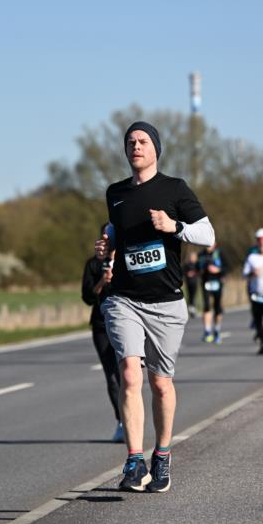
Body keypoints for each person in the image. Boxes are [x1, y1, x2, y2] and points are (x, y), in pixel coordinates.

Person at [95, 121, 214, 493]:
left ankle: (161, 456)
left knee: (160, 383)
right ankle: (134, 460)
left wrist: (173, 225)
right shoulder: (115, 193)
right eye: (130, 142)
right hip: (124, 298)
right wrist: (107, 246)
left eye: (143, 141)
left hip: (166, 303)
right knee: (130, 373)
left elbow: (208, 236)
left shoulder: (174, 189)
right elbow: (117, 229)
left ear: (156, 149)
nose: (136, 147)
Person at [81, 227, 124, 443]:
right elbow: (87, 297)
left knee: (125, 373)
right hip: (100, 324)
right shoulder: (93, 264)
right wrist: (102, 281)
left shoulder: (128, 259)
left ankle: (132, 416)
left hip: (125, 323)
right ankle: (121, 422)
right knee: (112, 377)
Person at [198, 241, 228, 344]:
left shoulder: (219, 253)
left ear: (214, 244)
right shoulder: (201, 254)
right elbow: (197, 268)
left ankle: (217, 330)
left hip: (217, 283)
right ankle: (207, 331)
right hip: (206, 283)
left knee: (217, 307)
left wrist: (218, 270)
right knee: (206, 306)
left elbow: (226, 267)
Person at [183, 251, 199, 317]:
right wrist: (187, 274)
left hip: (195, 282)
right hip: (189, 282)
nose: (192, 258)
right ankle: (190, 309)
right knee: (189, 296)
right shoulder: (186, 265)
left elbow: (199, 272)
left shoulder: (197, 264)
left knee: (194, 295)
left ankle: (193, 309)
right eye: (191, 257)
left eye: (194, 257)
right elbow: (183, 273)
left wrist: (194, 273)